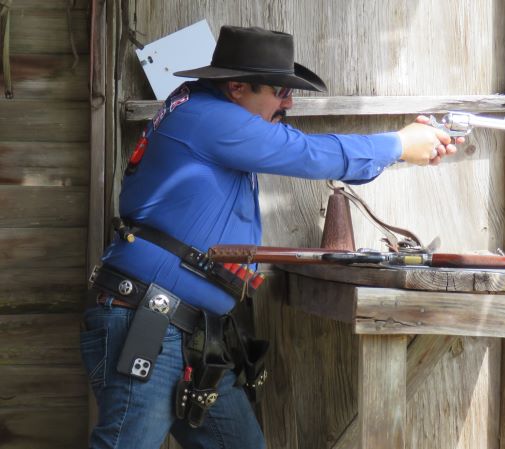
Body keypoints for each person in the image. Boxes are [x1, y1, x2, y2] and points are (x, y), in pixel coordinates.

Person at [80, 25, 460, 449]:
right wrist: (398, 144)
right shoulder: (210, 117)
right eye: (280, 90)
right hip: (153, 323)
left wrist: (400, 149)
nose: (289, 102)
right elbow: (307, 153)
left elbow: (307, 153)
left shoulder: (205, 112)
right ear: (237, 87)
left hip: (186, 330)